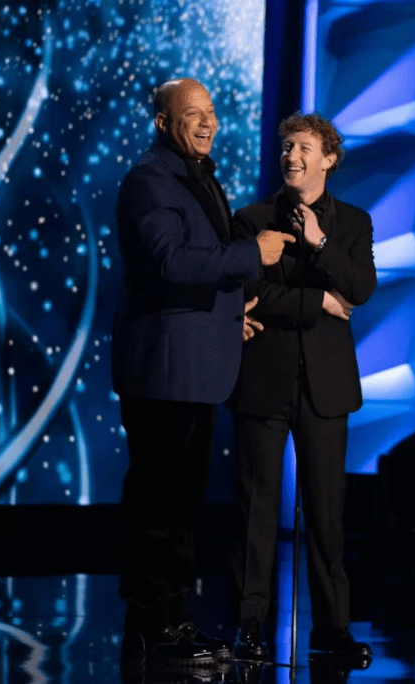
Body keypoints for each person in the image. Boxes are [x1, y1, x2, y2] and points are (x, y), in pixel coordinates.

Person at [111, 78, 295, 667]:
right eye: (193, 113)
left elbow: (193, 272)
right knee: (158, 507)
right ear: (164, 122)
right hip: (163, 372)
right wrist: (252, 253)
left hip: (192, 366)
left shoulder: (197, 175)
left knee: (182, 507)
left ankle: (172, 620)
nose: (207, 122)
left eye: (211, 112)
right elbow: (171, 261)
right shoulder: (149, 181)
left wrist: (225, 318)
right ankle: (150, 623)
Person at [228, 112, 377, 662]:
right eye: (287, 146)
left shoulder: (353, 223)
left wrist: (320, 244)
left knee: (326, 512)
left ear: (328, 160)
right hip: (263, 380)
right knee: (255, 511)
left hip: (326, 386)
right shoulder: (251, 219)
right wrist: (319, 303)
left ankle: (333, 629)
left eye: (304, 148)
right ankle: (249, 625)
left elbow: (361, 288)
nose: (292, 156)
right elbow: (251, 295)